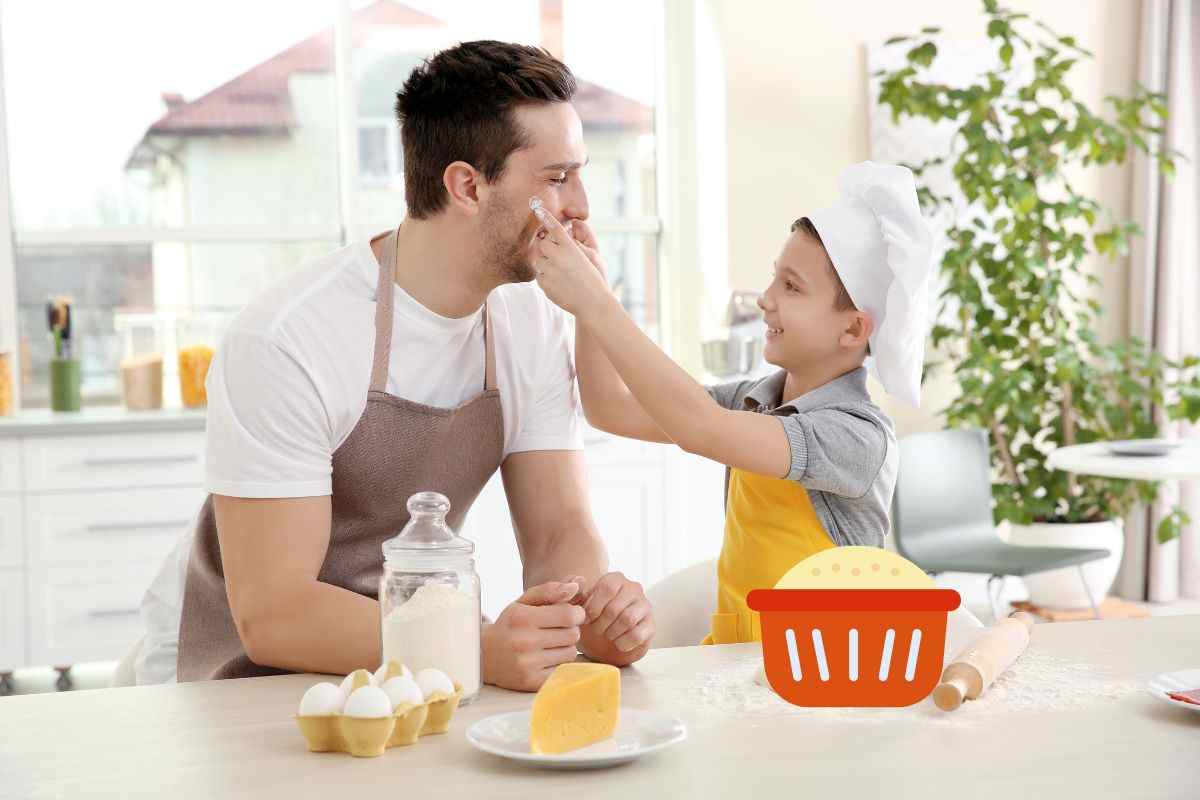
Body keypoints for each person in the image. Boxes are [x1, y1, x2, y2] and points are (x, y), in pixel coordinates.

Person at [138, 41, 654, 689]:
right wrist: (471, 648)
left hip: (415, 656)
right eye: (556, 178)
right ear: (468, 186)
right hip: (242, 666)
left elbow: (559, 534)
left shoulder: (533, 320)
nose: (579, 206)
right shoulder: (289, 338)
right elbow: (276, 613)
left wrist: (585, 611)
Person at [530, 161, 934, 644]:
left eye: (792, 286)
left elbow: (700, 428)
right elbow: (610, 408)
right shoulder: (752, 400)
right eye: (774, 279)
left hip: (825, 680)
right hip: (737, 665)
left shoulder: (857, 436)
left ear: (853, 329)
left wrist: (599, 303)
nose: (765, 299)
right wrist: (587, 307)